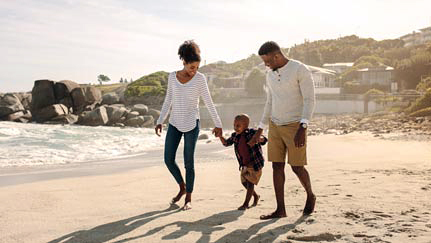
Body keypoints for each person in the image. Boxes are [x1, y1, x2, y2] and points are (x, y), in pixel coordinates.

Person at [248, 41, 316, 219]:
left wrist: (303, 126)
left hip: (295, 126)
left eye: (267, 61)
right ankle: (280, 209)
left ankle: (310, 194)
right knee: (276, 166)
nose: (266, 65)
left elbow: (309, 99)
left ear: (276, 56)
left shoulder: (299, 69)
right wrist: (260, 129)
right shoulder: (270, 75)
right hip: (275, 126)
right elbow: (270, 102)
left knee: (297, 167)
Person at [155, 40, 223, 210]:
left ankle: (189, 198)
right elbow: (168, 100)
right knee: (168, 159)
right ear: (184, 62)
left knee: (188, 162)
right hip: (175, 123)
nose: (194, 71)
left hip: (192, 124)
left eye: (197, 67)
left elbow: (208, 102)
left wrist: (218, 124)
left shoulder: (200, 79)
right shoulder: (172, 77)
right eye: (192, 67)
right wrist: (160, 120)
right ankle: (182, 187)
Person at [219, 114, 267, 210]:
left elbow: (264, 139)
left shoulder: (252, 133)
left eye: (238, 125)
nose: (235, 128)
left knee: (250, 183)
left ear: (245, 125)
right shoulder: (235, 136)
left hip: (254, 164)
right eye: (234, 125)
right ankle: (256, 196)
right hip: (244, 165)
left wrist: (260, 139)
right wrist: (220, 136)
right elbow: (226, 143)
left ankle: (246, 204)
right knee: (244, 183)